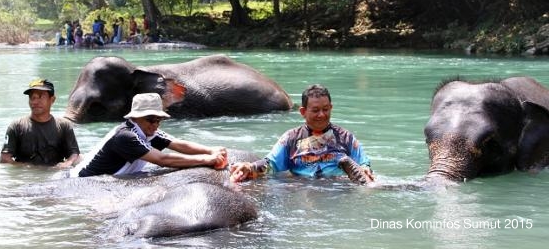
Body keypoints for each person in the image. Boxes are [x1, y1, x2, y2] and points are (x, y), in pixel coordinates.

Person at [230, 84, 375, 182]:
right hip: (302, 189)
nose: (321, 114)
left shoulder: (346, 138)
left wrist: (365, 169)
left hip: (339, 189)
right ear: (303, 112)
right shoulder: (290, 139)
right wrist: (250, 167)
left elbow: (364, 163)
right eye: (315, 110)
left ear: (331, 108)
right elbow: (270, 165)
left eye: (325, 109)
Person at [72, 93, 227, 177]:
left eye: (158, 120)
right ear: (135, 118)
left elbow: (178, 144)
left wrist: (211, 150)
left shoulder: (148, 131)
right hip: (86, 181)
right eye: (151, 119)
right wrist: (205, 160)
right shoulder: (126, 136)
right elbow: (162, 159)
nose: (155, 124)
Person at [0, 79, 80, 168]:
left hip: (55, 176)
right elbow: (4, 159)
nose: (35, 102)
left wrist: (67, 163)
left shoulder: (64, 126)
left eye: (41, 96)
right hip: (27, 177)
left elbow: (74, 154)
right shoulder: (16, 126)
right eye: (32, 97)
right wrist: (27, 168)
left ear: (52, 100)